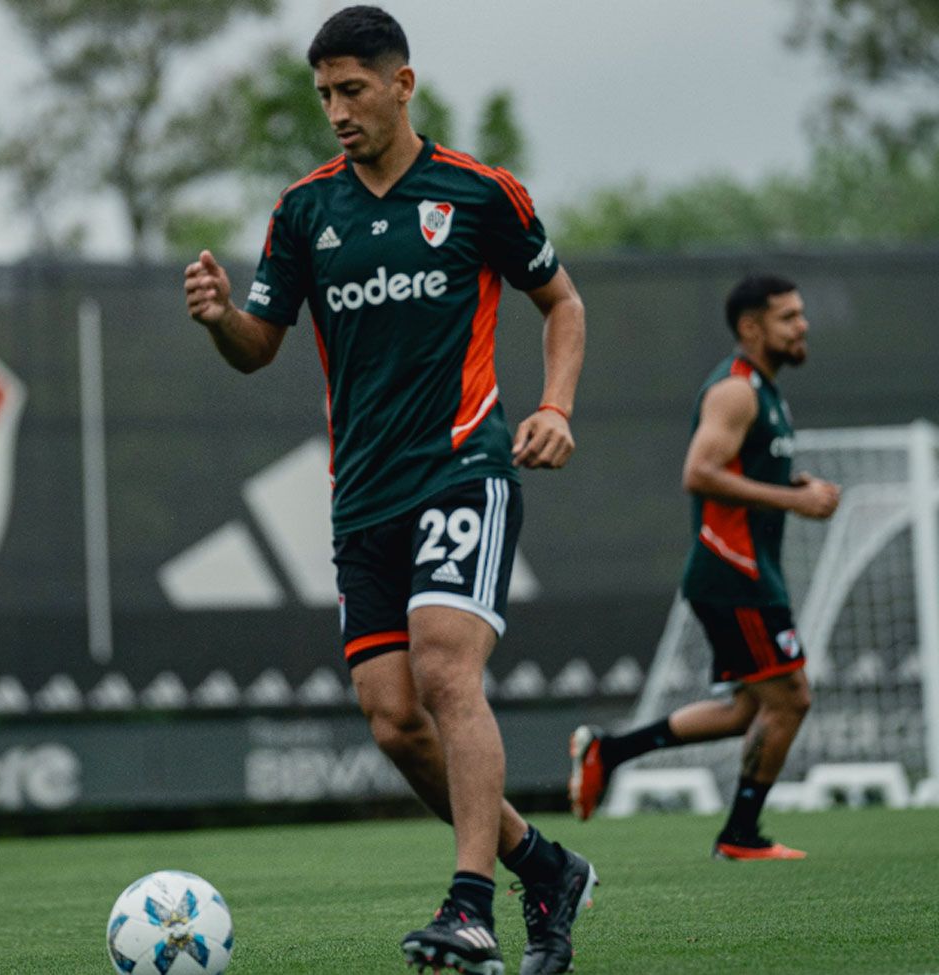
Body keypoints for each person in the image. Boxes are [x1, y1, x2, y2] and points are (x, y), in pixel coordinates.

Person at [184, 6, 593, 973]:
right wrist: (218, 318)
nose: (336, 110)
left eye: (353, 89)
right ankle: (544, 865)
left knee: (448, 672)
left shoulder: (480, 193)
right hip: (362, 497)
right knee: (394, 718)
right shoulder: (304, 212)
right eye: (323, 93)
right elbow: (259, 350)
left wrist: (558, 406)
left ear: (402, 84)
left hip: (463, 470)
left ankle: (468, 904)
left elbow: (562, 301)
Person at [569, 274, 841, 860]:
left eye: (801, 314)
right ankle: (740, 835)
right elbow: (699, 472)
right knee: (791, 699)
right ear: (751, 327)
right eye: (789, 316)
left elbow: (742, 471)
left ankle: (609, 751)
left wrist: (790, 483)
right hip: (734, 571)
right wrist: (796, 500)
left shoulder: (767, 390)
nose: (803, 325)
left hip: (747, 572)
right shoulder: (737, 391)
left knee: (750, 708)